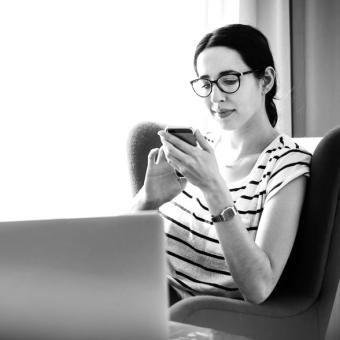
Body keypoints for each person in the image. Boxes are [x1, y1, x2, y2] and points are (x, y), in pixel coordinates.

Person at [131, 24, 312, 305]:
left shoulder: (285, 166)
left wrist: (214, 188)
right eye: (206, 83)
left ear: (265, 80)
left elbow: (259, 287)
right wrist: (146, 200)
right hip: (139, 288)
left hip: (191, 314)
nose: (215, 98)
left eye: (228, 80)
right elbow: (117, 245)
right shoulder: (200, 148)